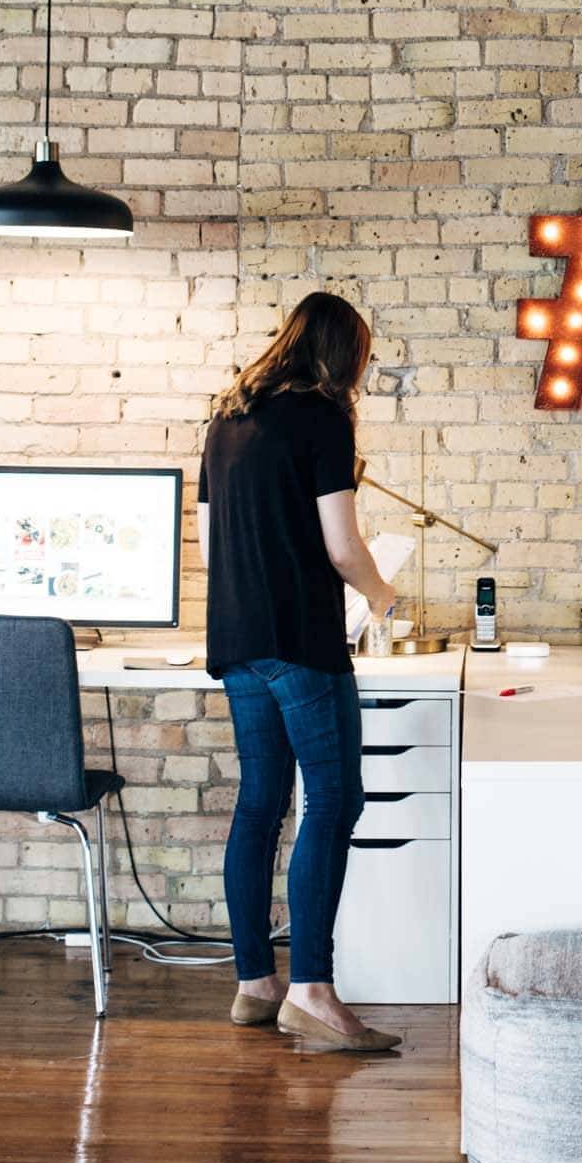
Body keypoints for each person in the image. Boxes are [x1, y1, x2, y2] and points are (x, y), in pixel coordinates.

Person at [198, 291, 401, 1053]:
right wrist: (383, 596)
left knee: (260, 805)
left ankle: (256, 984)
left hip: (238, 641)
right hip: (301, 643)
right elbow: (342, 547)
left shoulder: (226, 417)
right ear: (343, 354)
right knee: (336, 798)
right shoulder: (322, 415)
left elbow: (212, 545)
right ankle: (313, 990)